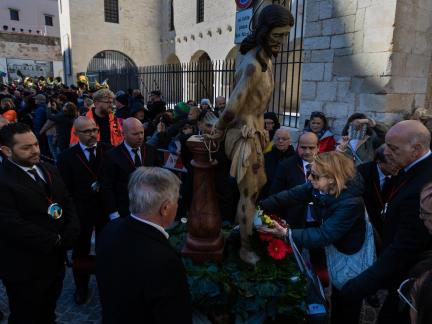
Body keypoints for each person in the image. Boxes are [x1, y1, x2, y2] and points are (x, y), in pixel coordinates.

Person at [209, 4, 294, 264]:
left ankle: (240, 234)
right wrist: (218, 129)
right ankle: (244, 247)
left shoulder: (264, 57)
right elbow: (234, 104)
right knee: (248, 192)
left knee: (255, 189)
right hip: (243, 133)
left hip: (256, 132)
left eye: (285, 35)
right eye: (277, 35)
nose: (282, 40)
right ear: (264, 31)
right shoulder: (253, 65)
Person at [341, 120, 432, 324]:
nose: (386, 152)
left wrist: (361, 285)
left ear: (416, 149)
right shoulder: (410, 167)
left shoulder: (423, 180)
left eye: (393, 147)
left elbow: (406, 246)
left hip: (409, 278)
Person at [260, 151, 366, 324]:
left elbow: (323, 235)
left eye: (314, 175)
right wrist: (261, 205)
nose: (309, 178)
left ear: (332, 179)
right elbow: (292, 195)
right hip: (334, 242)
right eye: (310, 172)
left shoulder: (351, 203)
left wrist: (287, 233)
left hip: (349, 250)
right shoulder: (317, 185)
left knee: (347, 294)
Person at [0, 122, 79, 324]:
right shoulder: (3, 180)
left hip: (55, 263)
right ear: (6, 151)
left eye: (35, 144)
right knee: (26, 316)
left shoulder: (49, 168)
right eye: (26, 148)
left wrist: (71, 230)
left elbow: (67, 200)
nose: (35, 150)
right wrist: (57, 240)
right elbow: (12, 224)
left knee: (48, 310)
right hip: (25, 268)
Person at [96, 167, 192, 324]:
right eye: (177, 200)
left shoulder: (110, 228)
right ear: (165, 208)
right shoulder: (166, 262)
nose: (177, 205)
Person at [57, 117, 113, 305]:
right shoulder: (67, 157)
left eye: (94, 130)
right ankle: (81, 286)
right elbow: (65, 190)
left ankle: (108, 282)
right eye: (87, 131)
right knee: (80, 251)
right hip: (81, 212)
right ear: (76, 133)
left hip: (106, 211)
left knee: (107, 249)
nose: (92, 134)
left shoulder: (108, 151)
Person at [101, 117, 160, 220]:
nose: (140, 137)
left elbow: (158, 177)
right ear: (123, 134)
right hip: (124, 210)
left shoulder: (151, 151)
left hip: (148, 207)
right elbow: (107, 186)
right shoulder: (111, 156)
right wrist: (113, 213)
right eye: (135, 134)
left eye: (142, 132)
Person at [269, 132, 320, 226]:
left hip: (318, 221)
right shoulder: (286, 166)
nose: (307, 151)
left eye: (311, 148)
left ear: (318, 148)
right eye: (303, 147)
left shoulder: (325, 165)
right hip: (293, 221)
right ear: (298, 147)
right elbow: (276, 194)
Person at [357, 144, 399, 237]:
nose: (397, 166)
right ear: (379, 161)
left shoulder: (402, 173)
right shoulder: (362, 172)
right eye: (391, 162)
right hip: (367, 223)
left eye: (397, 162)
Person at [261, 127, 295, 198]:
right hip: (268, 196)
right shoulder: (266, 157)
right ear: (274, 140)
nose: (280, 141)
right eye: (278, 138)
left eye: (284, 139)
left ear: (289, 141)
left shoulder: (295, 158)